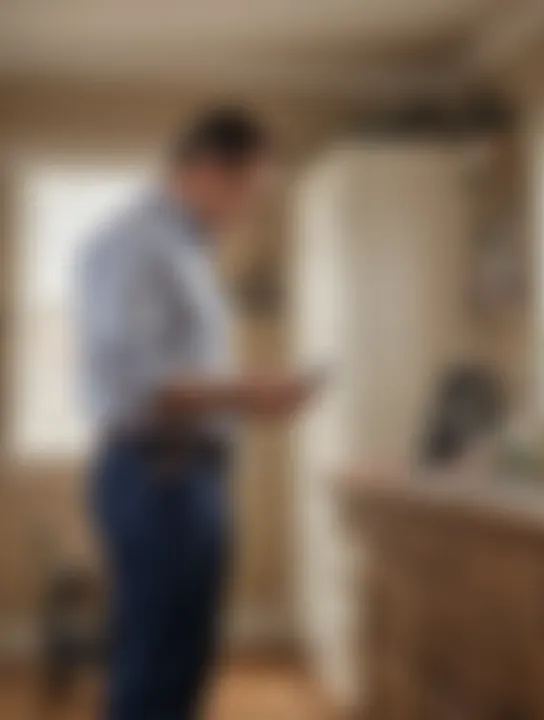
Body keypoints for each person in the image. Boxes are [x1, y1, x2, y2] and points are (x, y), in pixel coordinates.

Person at [77, 107, 321, 720]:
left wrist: (244, 395)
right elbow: (134, 382)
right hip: (160, 474)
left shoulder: (185, 249)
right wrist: (248, 392)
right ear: (211, 171)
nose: (252, 209)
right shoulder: (135, 242)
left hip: (185, 474)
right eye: (251, 191)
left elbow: (173, 373)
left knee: (182, 657)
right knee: (158, 661)